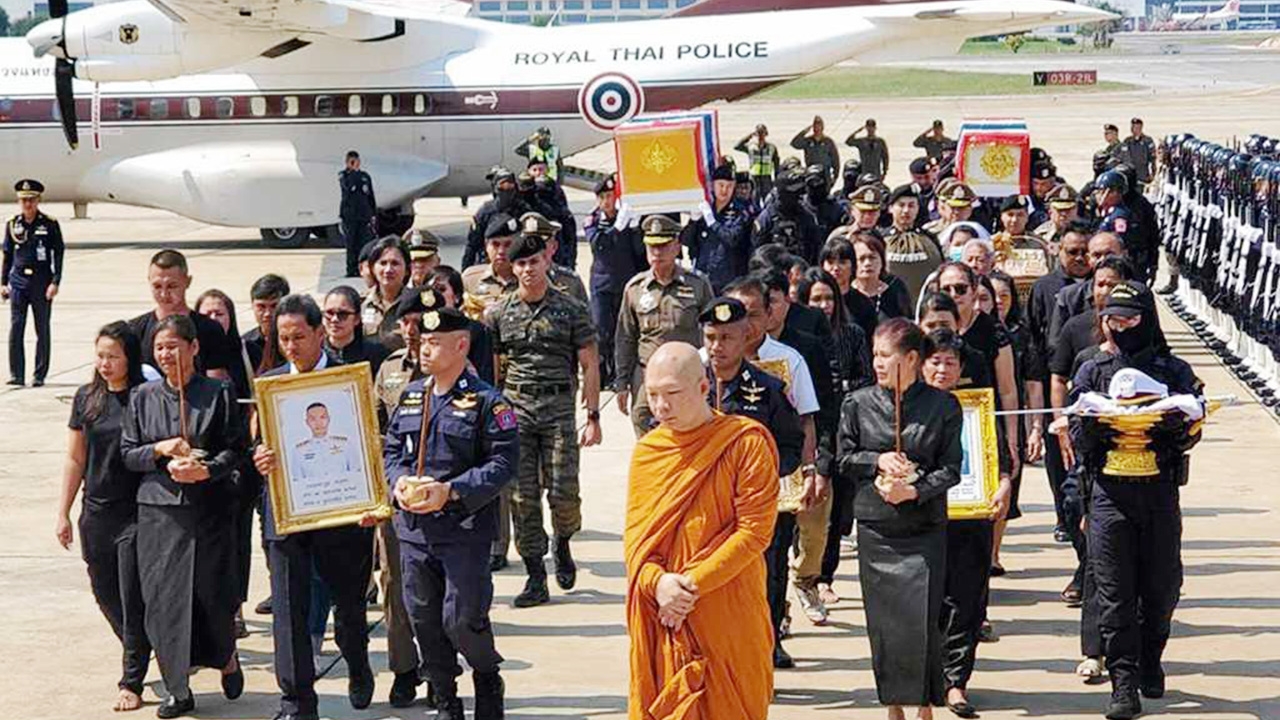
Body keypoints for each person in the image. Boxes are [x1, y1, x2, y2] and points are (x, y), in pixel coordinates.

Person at [1069, 281, 1203, 720]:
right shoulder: (1092, 368)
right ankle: (1123, 683)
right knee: (1114, 592)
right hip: (1109, 493)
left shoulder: (1173, 369)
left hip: (1159, 491)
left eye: (1130, 318)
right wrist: (1097, 426)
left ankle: (1151, 655)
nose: (1121, 326)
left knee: (1163, 586)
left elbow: (1194, 427)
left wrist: (1172, 426)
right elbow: (1076, 433)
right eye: (1113, 318)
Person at [625, 341, 778, 720]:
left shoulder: (745, 442)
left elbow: (754, 532)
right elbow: (637, 544)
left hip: (727, 611)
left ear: (704, 388)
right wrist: (657, 584)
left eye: (673, 394)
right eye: (654, 395)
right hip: (664, 611)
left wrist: (688, 586)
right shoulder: (649, 452)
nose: (661, 407)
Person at [383, 303, 518, 720]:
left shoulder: (487, 403)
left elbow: (503, 463)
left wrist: (453, 491)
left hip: (463, 529)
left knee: (461, 618)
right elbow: (391, 450)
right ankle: (445, 698)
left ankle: (486, 675)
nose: (425, 350)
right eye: (423, 341)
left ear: (461, 346)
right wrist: (399, 482)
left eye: (436, 342)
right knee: (423, 617)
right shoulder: (410, 397)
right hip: (415, 531)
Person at [251, 295, 378, 720]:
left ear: (320, 333)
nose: (291, 346)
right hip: (287, 514)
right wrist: (260, 458)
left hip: (340, 514)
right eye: (283, 338)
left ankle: (357, 664)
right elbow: (257, 442)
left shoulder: (347, 382)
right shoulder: (270, 385)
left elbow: (367, 445)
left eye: (299, 337)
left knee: (348, 606)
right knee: (289, 612)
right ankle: (297, 703)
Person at [120, 314, 247, 719]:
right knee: (165, 601)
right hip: (160, 511)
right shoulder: (142, 397)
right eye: (159, 348)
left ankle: (225, 655)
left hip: (209, 509)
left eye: (174, 346)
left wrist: (207, 470)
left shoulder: (218, 392)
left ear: (193, 348)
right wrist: (159, 450)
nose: (166, 354)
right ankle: (179, 687)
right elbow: (128, 454)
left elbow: (236, 449)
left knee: (212, 594)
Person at [838, 318, 962, 719]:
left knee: (922, 620)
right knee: (885, 623)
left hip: (923, 526)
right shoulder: (857, 403)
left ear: (911, 359)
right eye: (874, 354)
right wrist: (877, 460)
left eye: (885, 355)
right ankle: (893, 704)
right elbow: (843, 457)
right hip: (877, 528)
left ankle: (925, 703)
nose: (877, 362)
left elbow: (952, 468)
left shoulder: (942, 405)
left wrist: (915, 489)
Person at [487, 232, 601, 607]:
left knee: (564, 491)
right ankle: (536, 574)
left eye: (533, 262)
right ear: (512, 267)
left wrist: (593, 415)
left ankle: (564, 542)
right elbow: (494, 368)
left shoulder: (570, 308)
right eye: (520, 263)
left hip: (558, 410)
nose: (527, 270)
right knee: (522, 497)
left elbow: (589, 360)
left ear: (546, 261)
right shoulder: (500, 313)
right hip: (517, 411)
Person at [699, 297, 804, 667]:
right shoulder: (690, 385)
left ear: (746, 337)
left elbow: (791, 445)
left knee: (767, 579)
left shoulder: (768, 389)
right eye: (711, 337)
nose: (717, 347)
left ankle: (766, 645)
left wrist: (760, 477)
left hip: (754, 510)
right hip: (703, 512)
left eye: (727, 337)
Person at [56, 322, 152, 712]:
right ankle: (141, 645)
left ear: (129, 357)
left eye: (113, 356)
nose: (105, 363)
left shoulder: (145, 397)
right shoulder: (86, 398)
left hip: (137, 512)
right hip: (96, 511)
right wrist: (62, 511)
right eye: (100, 356)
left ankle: (131, 680)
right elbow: (75, 457)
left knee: (132, 596)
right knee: (105, 592)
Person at [919, 330, 1012, 719]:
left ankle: (957, 682)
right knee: (926, 602)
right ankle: (925, 682)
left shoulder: (976, 408)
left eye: (950, 363)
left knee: (966, 601)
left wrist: (1004, 484)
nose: (942, 369)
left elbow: (999, 459)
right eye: (935, 361)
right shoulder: (906, 408)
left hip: (970, 519)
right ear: (921, 365)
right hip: (922, 518)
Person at [794, 268, 873, 606]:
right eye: (816, 299)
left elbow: (866, 377)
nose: (823, 305)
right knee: (807, 506)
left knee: (840, 509)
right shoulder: (797, 340)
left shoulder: (852, 334)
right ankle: (810, 573)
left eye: (829, 298)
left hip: (847, 427)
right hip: (810, 429)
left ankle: (826, 573)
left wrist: (841, 387)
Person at [617, 216, 715, 436]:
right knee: (643, 421)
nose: (657, 253)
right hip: (646, 374)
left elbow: (712, 331)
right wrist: (622, 383)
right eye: (652, 246)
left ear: (677, 246)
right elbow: (625, 338)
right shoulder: (635, 288)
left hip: (686, 376)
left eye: (663, 246)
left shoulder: (697, 284)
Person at [128, 250, 233, 382]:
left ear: (187, 282)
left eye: (172, 286)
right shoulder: (135, 330)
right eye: (157, 286)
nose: (164, 294)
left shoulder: (209, 329)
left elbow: (217, 380)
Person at [585, 174, 647, 388]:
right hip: (602, 284)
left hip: (624, 282)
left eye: (610, 196)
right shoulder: (593, 220)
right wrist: (618, 228)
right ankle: (603, 374)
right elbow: (598, 245)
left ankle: (622, 374)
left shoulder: (625, 217)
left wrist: (635, 228)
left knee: (624, 332)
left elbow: (639, 252)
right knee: (602, 331)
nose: (607, 201)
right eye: (602, 196)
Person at [3, 179, 63, 387]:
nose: (27, 204)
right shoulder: (13, 224)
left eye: (31, 200)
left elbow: (58, 253)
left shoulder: (49, 224)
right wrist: (3, 282)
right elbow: (7, 255)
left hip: (41, 283)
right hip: (19, 283)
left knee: (42, 329)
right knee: (16, 328)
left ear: (38, 200)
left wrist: (55, 281)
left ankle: (39, 374)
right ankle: (16, 374)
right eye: (23, 200)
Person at [682, 164, 753, 291]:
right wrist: (693, 221)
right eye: (721, 185)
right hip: (703, 277)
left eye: (729, 186)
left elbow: (732, 238)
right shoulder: (705, 209)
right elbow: (685, 240)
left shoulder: (740, 213)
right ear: (713, 185)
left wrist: (713, 223)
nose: (724, 190)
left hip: (729, 280)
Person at [884, 184, 943, 307]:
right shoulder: (881, 239)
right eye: (901, 205)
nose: (906, 210)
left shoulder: (929, 239)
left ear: (917, 209)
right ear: (890, 208)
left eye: (911, 205)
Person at [462, 168, 529, 270]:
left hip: (517, 263)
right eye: (503, 186)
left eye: (510, 186)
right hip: (488, 263)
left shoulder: (523, 209)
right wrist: (466, 271)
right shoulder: (485, 211)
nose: (506, 190)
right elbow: (472, 245)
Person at [753, 168, 823, 264]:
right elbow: (756, 254)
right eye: (795, 193)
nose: (799, 196)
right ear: (782, 193)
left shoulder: (807, 217)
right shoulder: (766, 219)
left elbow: (816, 248)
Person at [851, 232, 913, 337]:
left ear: (882, 261)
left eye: (872, 258)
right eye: (861, 259)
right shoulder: (845, 294)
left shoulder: (896, 289)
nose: (867, 263)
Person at [462, 214, 520, 321]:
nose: (501, 251)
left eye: (508, 245)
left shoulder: (527, 279)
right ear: (486, 246)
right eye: (495, 244)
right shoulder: (470, 279)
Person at [323, 285, 390, 374]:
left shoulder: (377, 354)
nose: (334, 319)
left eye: (343, 314)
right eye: (329, 313)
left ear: (357, 319)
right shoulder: (315, 354)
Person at [361, 235, 411, 349]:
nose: (388, 270)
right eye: (383, 263)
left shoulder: (416, 304)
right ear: (373, 268)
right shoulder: (360, 304)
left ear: (407, 269)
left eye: (395, 263)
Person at [339, 150, 378, 278]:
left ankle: (362, 268)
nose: (355, 163)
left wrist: (373, 213)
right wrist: (353, 171)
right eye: (352, 161)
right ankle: (351, 269)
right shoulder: (343, 176)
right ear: (347, 163)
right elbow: (348, 188)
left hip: (364, 214)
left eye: (356, 161)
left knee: (364, 243)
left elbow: (370, 195)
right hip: (350, 216)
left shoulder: (365, 176)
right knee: (351, 243)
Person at [245, 273, 290, 376]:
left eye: (274, 306)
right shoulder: (245, 346)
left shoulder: (300, 341)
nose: (268, 314)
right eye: (261, 307)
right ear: (252, 306)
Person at [736, 123, 781, 201]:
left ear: (766, 134)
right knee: (754, 198)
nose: (760, 136)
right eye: (758, 133)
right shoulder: (751, 147)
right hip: (754, 177)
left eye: (762, 133)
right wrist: (749, 136)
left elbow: (776, 163)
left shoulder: (772, 148)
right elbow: (737, 146)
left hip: (766, 177)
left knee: (768, 199)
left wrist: (776, 178)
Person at [791, 115, 840, 181]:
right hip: (811, 173)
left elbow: (835, 159)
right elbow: (794, 143)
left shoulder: (828, 142)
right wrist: (804, 132)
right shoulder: (808, 141)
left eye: (819, 127)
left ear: (822, 128)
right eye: (815, 127)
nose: (817, 130)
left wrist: (835, 175)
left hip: (825, 175)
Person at [1122, 117, 1156, 186]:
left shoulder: (1148, 141)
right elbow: (1124, 158)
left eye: (1138, 127)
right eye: (1134, 127)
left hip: (1144, 176)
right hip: (1130, 177)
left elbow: (1153, 158)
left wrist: (1153, 174)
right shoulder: (1127, 141)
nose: (1135, 129)